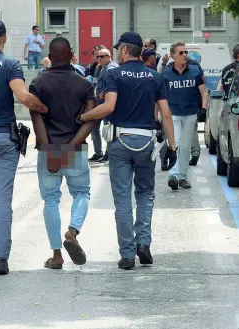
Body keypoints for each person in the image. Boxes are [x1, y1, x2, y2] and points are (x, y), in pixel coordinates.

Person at [78, 31, 177, 270]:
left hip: (120, 141)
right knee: (145, 194)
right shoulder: (155, 77)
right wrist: (172, 147)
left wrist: (83, 116)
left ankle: (127, 254)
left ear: (123, 50)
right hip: (146, 142)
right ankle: (144, 243)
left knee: (122, 199)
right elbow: (165, 114)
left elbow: (108, 106)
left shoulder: (114, 74)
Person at [0, 20, 48, 275]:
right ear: (3, 40)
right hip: (5, 138)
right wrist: (45, 109)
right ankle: (1, 257)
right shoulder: (11, 64)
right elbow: (23, 97)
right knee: (3, 199)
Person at [29, 37, 96, 269]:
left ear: (50, 54)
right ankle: (72, 231)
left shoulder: (39, 82)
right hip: (74, 148)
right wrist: (69, 148)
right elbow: (90, 119)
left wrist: (50, 151)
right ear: (71, 54)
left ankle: (56, 255)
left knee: (50, 200)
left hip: (49, 149)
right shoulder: (83, 84)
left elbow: (36, 117)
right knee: (82, 193)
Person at [162, 41, 208, 190]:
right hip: (173, 113)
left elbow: (204, 92)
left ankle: (183, 177)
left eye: (185, 52)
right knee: (176, 143)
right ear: (173, 56)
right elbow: (160, 96)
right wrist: (158, 115)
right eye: (181, 52)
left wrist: (203, 108)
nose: (184, 55)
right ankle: (173, 175)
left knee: (186, 146)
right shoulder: (166, 73)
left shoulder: (195, 71)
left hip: (190, 113)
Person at [91, 48, 119, 164]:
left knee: (108, 129)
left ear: (108, 56)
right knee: (95, 127)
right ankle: (99, 153)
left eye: (101, 57)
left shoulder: (111, 68)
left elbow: (113, 85)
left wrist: (104, 94)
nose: (98, 59)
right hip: (100, 104)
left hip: (107, 105)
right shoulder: (100, 68)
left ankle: (108, 154)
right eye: (97, 56)